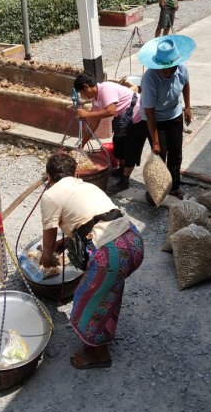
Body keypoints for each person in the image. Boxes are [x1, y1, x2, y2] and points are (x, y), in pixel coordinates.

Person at [39, 153, 144, 369]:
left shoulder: (50, 195)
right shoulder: (88, 187)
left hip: (111, 253)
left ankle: (98, 354)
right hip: (133, 243)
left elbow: (47, 245)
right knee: (108, 291)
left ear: (49, 177)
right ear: (76, 173)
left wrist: (47, 259)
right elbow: (94, 219)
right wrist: (67, 241)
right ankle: (104, 334)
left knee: (86, 299)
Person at [139, 35, 196, 201]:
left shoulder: (182, 69)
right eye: (163, 69)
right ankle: (156, 189)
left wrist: (187, 107)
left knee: (176, 153)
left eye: (169, 69)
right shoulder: (150, 78)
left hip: (174, 114)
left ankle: (174, 186)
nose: (166, 72)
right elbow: (149, 113)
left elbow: (186, 85)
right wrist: (155, 141)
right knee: (160, 154)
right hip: (155, 118)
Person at [73, 72, 150, 194]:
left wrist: (87, 114)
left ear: (87, 87)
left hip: (138, 117)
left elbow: (110, 111)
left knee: (131, 148)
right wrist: (82, 143)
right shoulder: (96, 99)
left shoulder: (106, 89)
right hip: (125, 119)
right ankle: (121, 170)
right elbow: (94, 121)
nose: (82, 96)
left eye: (82, 93)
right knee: (118, 144)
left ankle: (125, 181)